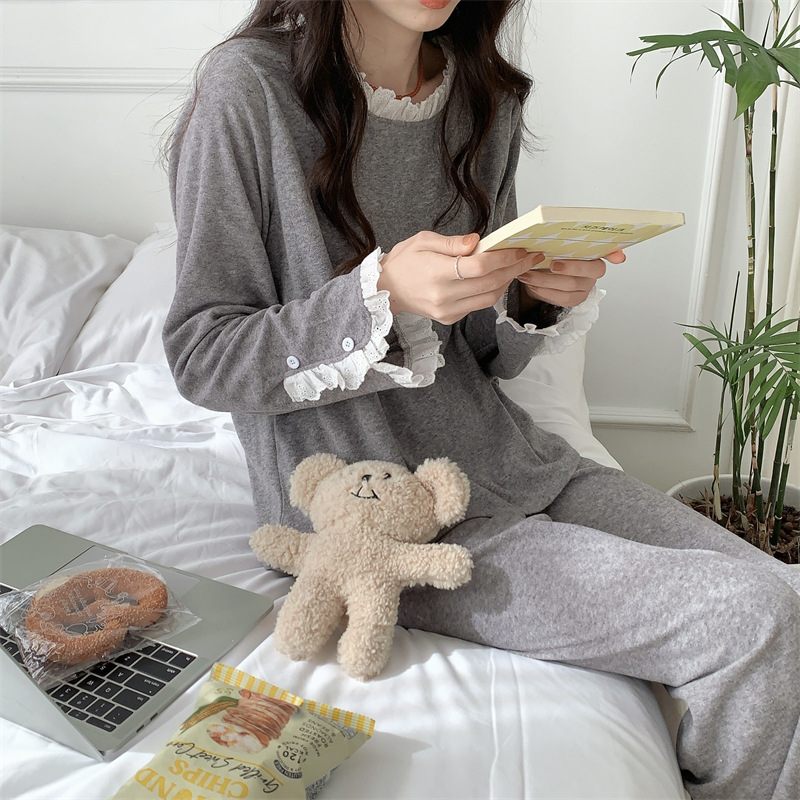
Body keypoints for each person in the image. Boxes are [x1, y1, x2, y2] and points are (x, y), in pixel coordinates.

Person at [162, 1, 800, 798]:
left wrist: (531, 299)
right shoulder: (248, 87)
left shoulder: (482, 98)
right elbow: (203, 355)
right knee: (750, 619)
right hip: (380, 513)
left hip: (513, 459)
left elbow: (478, 355)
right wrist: (381, 295)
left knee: (787, 598)